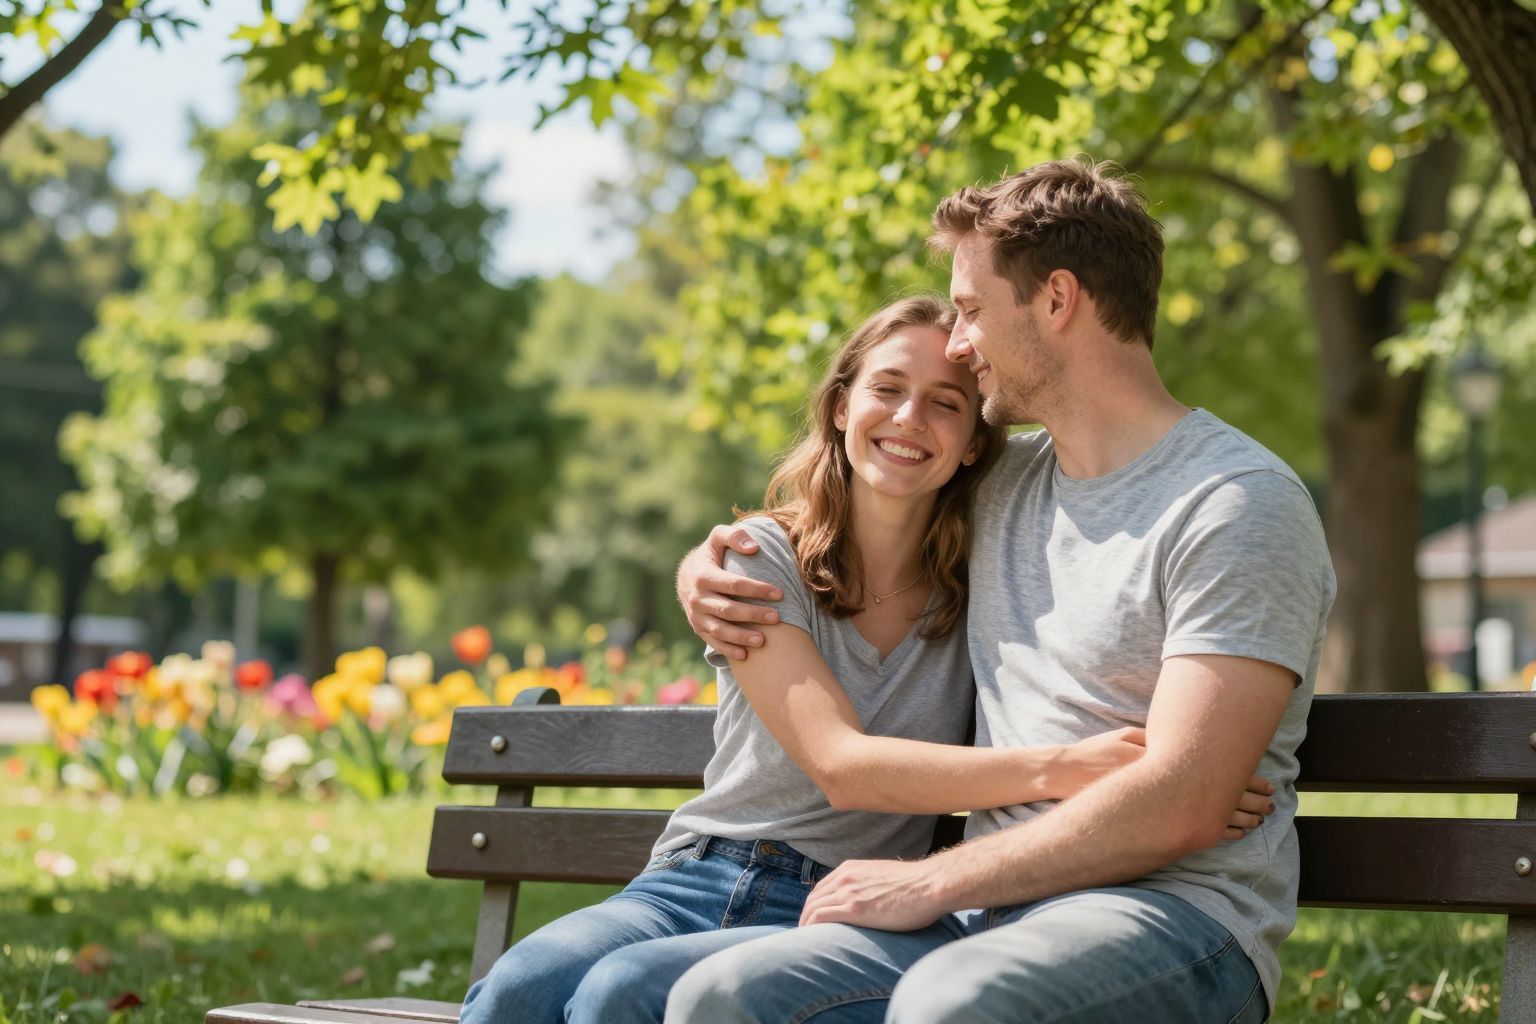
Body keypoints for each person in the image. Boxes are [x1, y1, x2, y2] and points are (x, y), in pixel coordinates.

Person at [459, 294, 1274, 1024]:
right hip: (702, 877)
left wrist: (1170, 784)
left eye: (946, 404)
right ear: (842, 405)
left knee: (618, 993)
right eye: (887, 389)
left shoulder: (984, 566)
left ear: (971, 446)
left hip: (852, 898)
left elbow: (1108, 465)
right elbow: (843, 766)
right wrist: (1076, 768)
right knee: (520, 987)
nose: (910, 418)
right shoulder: (759, 559)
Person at [667, 158, 1337, 1023]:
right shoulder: (1005, 478)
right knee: (722, 998)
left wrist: (932, 879)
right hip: (982, 915)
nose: (957, 343)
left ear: (1057, 301)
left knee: (954, 1004)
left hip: (1171, 918)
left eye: (974, 311)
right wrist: (706, 569)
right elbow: (845, 500)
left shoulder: (1237, 504)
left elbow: (1183, 805)